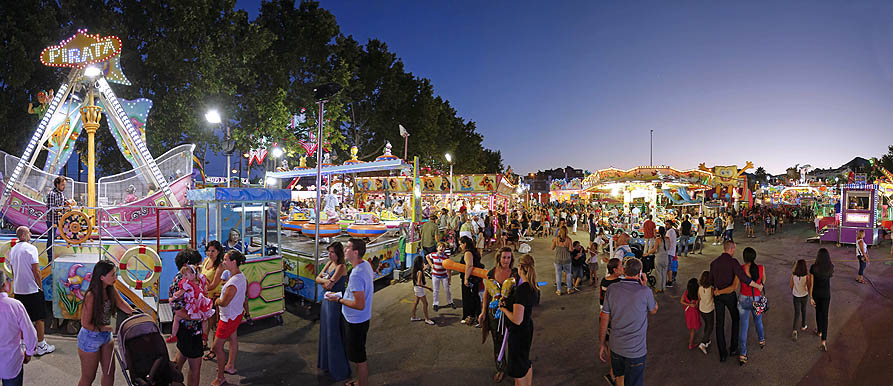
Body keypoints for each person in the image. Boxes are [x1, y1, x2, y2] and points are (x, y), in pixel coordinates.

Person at [599, 258, 658, 386]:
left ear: (624, 270)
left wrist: (602, 343)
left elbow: (604, 318)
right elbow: (653, 310)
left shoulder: (612, 289)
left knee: (620, 376)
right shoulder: (645, 292)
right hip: (636, 351)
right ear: (640, 272)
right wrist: (645, 284)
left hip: (616, 348)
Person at [77, 260, 134, 386]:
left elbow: (122, 304)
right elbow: (85, 323)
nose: (116, 277)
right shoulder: (91, 295)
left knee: (109, 372)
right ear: (102, 277)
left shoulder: (111, 289)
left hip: (106, 337)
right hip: (90, 338)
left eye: (115, 274)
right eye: (112, 275)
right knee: (88, 378)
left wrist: (136, 315)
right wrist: (106, 328)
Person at [327, 238, 374, 386]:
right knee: (358, 353)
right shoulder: (365, 265)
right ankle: (360, 380)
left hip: (356, 320)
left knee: (359, 357)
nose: (345, 250)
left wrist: (338, 300)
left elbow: (359, 304)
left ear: (355, 252)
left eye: (347, 248)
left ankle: (362, 383)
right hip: (362, 318)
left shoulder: (356, 275)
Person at [709, 241, 762, 363]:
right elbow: (744, 278)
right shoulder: (733, 262)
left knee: (719, 324)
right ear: (731, 249)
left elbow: (711, 280)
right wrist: (757, 286)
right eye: (734, 249)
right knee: (736, 319)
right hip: (729, 296)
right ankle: (733, 348)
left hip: (718, 296)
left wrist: (717, 290)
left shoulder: (714, 263)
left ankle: (723, 354)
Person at [8, 226, 54, 355]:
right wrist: (40, 287)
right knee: (39, 318)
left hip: (18, 289)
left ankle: (23, 345)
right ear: (23, 236)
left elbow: (12, 269)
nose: (31, 234)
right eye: (28, 233)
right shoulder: (31, 249)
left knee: (22, 318)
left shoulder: (13, 250)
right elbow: (36, 270)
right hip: (31, 289)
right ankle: (41, 345)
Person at [478, 247, 519, 383]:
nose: (506, 260)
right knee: (497, 341)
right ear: (499, 258)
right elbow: (486, 293)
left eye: (508, 257)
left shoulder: (515, 273)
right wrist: (483, 312)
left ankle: (515, 369)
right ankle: (501, 368)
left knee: (513, 342)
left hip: (511, 312)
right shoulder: (492, 272)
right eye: (504, 257)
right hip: (494, 313)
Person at [499, 254, 537, 386]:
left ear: (520, 267)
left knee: (518, 369)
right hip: (527, 329)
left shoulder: (522, 290)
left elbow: (517, 319)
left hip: (519, 333)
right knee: (525, 362)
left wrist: (503, 308)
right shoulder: (533, 286)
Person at [211, 250, 248, 386]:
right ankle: (230, 365)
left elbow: (224, 302)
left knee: (216, 347)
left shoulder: (233, 283)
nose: (223, 262)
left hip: (228, 318)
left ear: (233, 262)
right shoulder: (240, 276)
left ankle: (220, 378)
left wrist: (217, 301)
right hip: (236, 314)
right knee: (233, 339)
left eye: (226, 260)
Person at [170, 250, 206, 386]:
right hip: (191, 329)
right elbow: (178, 310)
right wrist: (199, 317)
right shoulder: (184, 283)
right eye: (196, 265)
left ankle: (172, 380)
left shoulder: (180, 279)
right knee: (195, 366)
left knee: (182, 355)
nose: (198, 268)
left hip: (185, 329)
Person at [316, 242, 350, 381]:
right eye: (329, 252)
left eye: (332, 252)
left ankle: (337, 367)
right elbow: (317, 279)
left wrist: (324, 281)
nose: (330, 255)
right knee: (325, 331)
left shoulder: (341, 267)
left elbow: (329, 284)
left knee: (333, 332)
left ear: (339, 254)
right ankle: (327, 364)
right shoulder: (329, 264)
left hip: (334, 303)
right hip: (326, 301)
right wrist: (325, 280)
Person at [0, 269, 38, 386]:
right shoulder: (15, 305)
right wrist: (29, 353)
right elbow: (30, 333)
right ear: (5, 284)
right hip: (11, 362)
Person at [167, 265, 215, 343]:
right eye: (183, 275)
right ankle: (205, 334)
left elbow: (179, 293)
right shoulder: (200, 280)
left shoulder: (187, 284)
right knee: (204, 319)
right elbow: (205, 290)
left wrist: (171, 299)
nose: (183, 277)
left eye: (185, 275)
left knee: (177, 318)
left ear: (193, 275)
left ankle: (173, 335)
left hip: (193, 305)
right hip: (202, 303)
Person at [736, 247, 765, 366]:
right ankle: (761, 340)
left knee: (744, 327)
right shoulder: (761, 268)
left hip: (743, 299)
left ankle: (743, 353)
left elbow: (736, 284)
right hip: (756, 298)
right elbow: (763, 283)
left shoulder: (741, 269)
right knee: (758, 321)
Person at [201, 241, 225, 355]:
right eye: (209, 251)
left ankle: (215, 348)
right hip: (205, 297)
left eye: (213, 251)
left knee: (214, 323)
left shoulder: (220, 266)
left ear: (218, 252)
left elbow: (214, 284)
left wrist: (202, 288)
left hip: (214, 298)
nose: (210, 253)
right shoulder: (205, 261)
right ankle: (204, 342)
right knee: (205, 322)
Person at [809, 248, 834, 352]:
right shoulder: (830, 267)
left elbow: (811, 284)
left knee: (818, 312)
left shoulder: (813, 268)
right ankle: (823, 340)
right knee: (825, 315)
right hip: (826, 294)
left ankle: (819, 330)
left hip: (816, 293)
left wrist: (810, 297)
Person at [459, 236, 484, 325]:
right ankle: (475, 316)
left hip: (470, 279)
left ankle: (471, 316)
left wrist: (466, 278)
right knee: (475, 297)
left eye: (461, 244)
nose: (460, 246)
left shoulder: (468, 253)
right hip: (475, 278)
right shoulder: (474, 251)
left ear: (465, 244)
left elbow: (469, 265)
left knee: (469, 298)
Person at [425, 242, 454, 311]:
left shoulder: (446, 257)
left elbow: (449, 268)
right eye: (439, 246)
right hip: (435, 276)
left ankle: (450, 302)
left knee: (447, 290)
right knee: (436, 290)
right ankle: (435, 304)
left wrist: (449, 278)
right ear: (437, 248)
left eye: (443, 247)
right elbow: (427, 257)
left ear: (444, 249)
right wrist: (431, 265)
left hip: (444, 276)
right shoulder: (433, 254)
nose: (441, 248)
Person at [44, 176, 68, 262]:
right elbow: (51, 209)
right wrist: (63, 207)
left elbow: (64, 202)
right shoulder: (52, 194)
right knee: (51, 239)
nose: (64, 187)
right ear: (57, 184)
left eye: (64, 185)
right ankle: (50, 259)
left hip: (59, 219)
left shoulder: (61, 193)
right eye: (62, 185)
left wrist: (68, 203)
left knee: (54, 238)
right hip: (52, 220)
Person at [410, 255, 435, 325]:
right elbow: (419, 283)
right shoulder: (420, 272)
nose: (424, 263)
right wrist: (428, 288)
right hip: (419, 289)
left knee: (415, 302)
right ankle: (427, 319)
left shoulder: (416, 270)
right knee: (425, 303)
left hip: (416, 288)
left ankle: (413, 316)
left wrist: (423, 269)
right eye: (423, 262)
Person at [790, 259, 810, 342]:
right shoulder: (806, 276)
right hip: (804, 295)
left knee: (797, 312)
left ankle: (795, 330)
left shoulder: (793, 276)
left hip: (796, 296)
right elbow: (808, 286)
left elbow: (791, 285)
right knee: (804, 309)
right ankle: (803, 325)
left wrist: (795, 290)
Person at [680, 278, 703, 350]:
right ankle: (690, 344)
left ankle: (691, 342)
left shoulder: (686, 292)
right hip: (694, 314)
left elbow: (681, 301)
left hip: (688, 313)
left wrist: (688, 305)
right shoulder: (697, 295)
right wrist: (693, 305)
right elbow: (697, 304)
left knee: (691, 328)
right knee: (692, 330)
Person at [551, 226, 573, 295]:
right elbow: (571, 249)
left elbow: (552, 248)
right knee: (568, 273)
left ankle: (559, 290)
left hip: (558, 259)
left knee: (558, 274)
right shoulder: (569, 240)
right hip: (567, 259)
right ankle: (569, 288)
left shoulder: (555, 239)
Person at [697, 271, 714, 355]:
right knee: (710, 326)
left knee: (707, 324)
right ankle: (703, 343)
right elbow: (713, 298)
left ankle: (707, 340)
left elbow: (699, 298)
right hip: (709, 310)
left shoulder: (700, 288)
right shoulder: (711, 289)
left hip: (701, 309)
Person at [647, 227, 669, 294]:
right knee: (664, 273)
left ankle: (658, 288)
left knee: (658, 273)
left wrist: (647, 253)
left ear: (659, 232)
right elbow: (669, 247)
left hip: (659, 258)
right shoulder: (668, 239)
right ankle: (663, 288)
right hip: (665, 258)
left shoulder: (658, 239)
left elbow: (654, 250)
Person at [665, 222, 678, 287]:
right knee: (670, 266)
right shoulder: (673, 231)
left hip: (669, 252)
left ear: (670, 225)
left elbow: (668, 242)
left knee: (669, 267)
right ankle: (670, 280)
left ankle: (670, 281)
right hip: (672, 251)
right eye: (666, 224)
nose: (666, 225)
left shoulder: (669, 232)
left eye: (667, 224)